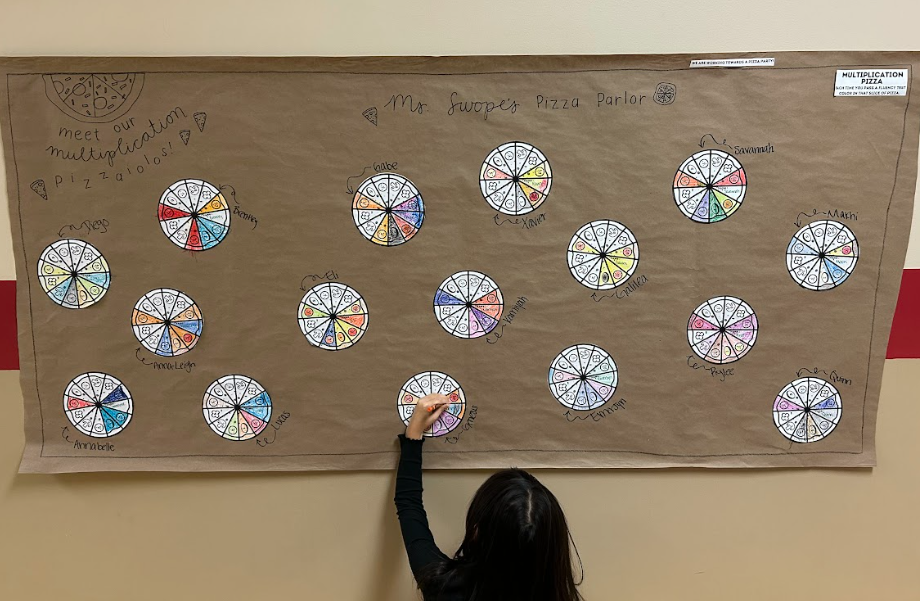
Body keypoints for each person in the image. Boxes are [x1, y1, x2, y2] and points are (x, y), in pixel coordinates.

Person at [394, 393, 585, 601]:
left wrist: (414, 433)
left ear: (476, 532)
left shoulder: (442, 587)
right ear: (554, 546)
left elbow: (408, 504)